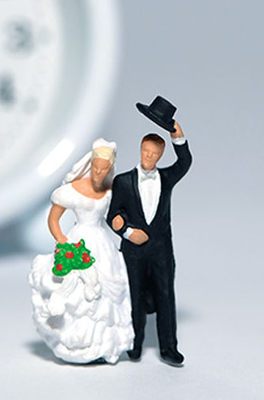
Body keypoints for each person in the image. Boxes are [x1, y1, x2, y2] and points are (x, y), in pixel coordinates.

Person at [28, 138, 134, 364]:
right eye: (96, 168)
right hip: (79, 240)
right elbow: (54, 219)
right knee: (75, 286)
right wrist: (62, 240)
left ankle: (104, 343)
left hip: (102, 241)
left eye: (104, 169)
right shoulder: (73, 190)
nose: (99, 172)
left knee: (107, 289)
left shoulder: (110, 190)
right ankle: (73, 339)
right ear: (90, 165)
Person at [107, 118, 192, 366]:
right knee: (133, 296)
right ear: (140, 150)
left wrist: (177, 134)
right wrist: (128, 232)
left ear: (160, 155)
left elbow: (185, 162)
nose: (149, 156)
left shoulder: (166, 178)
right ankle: (134, 344)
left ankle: (169, 347)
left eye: (154, 154)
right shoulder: (123, 181)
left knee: (166, 296)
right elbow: (112, 216)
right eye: (146, 151)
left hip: (162, 251)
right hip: (133, 251)